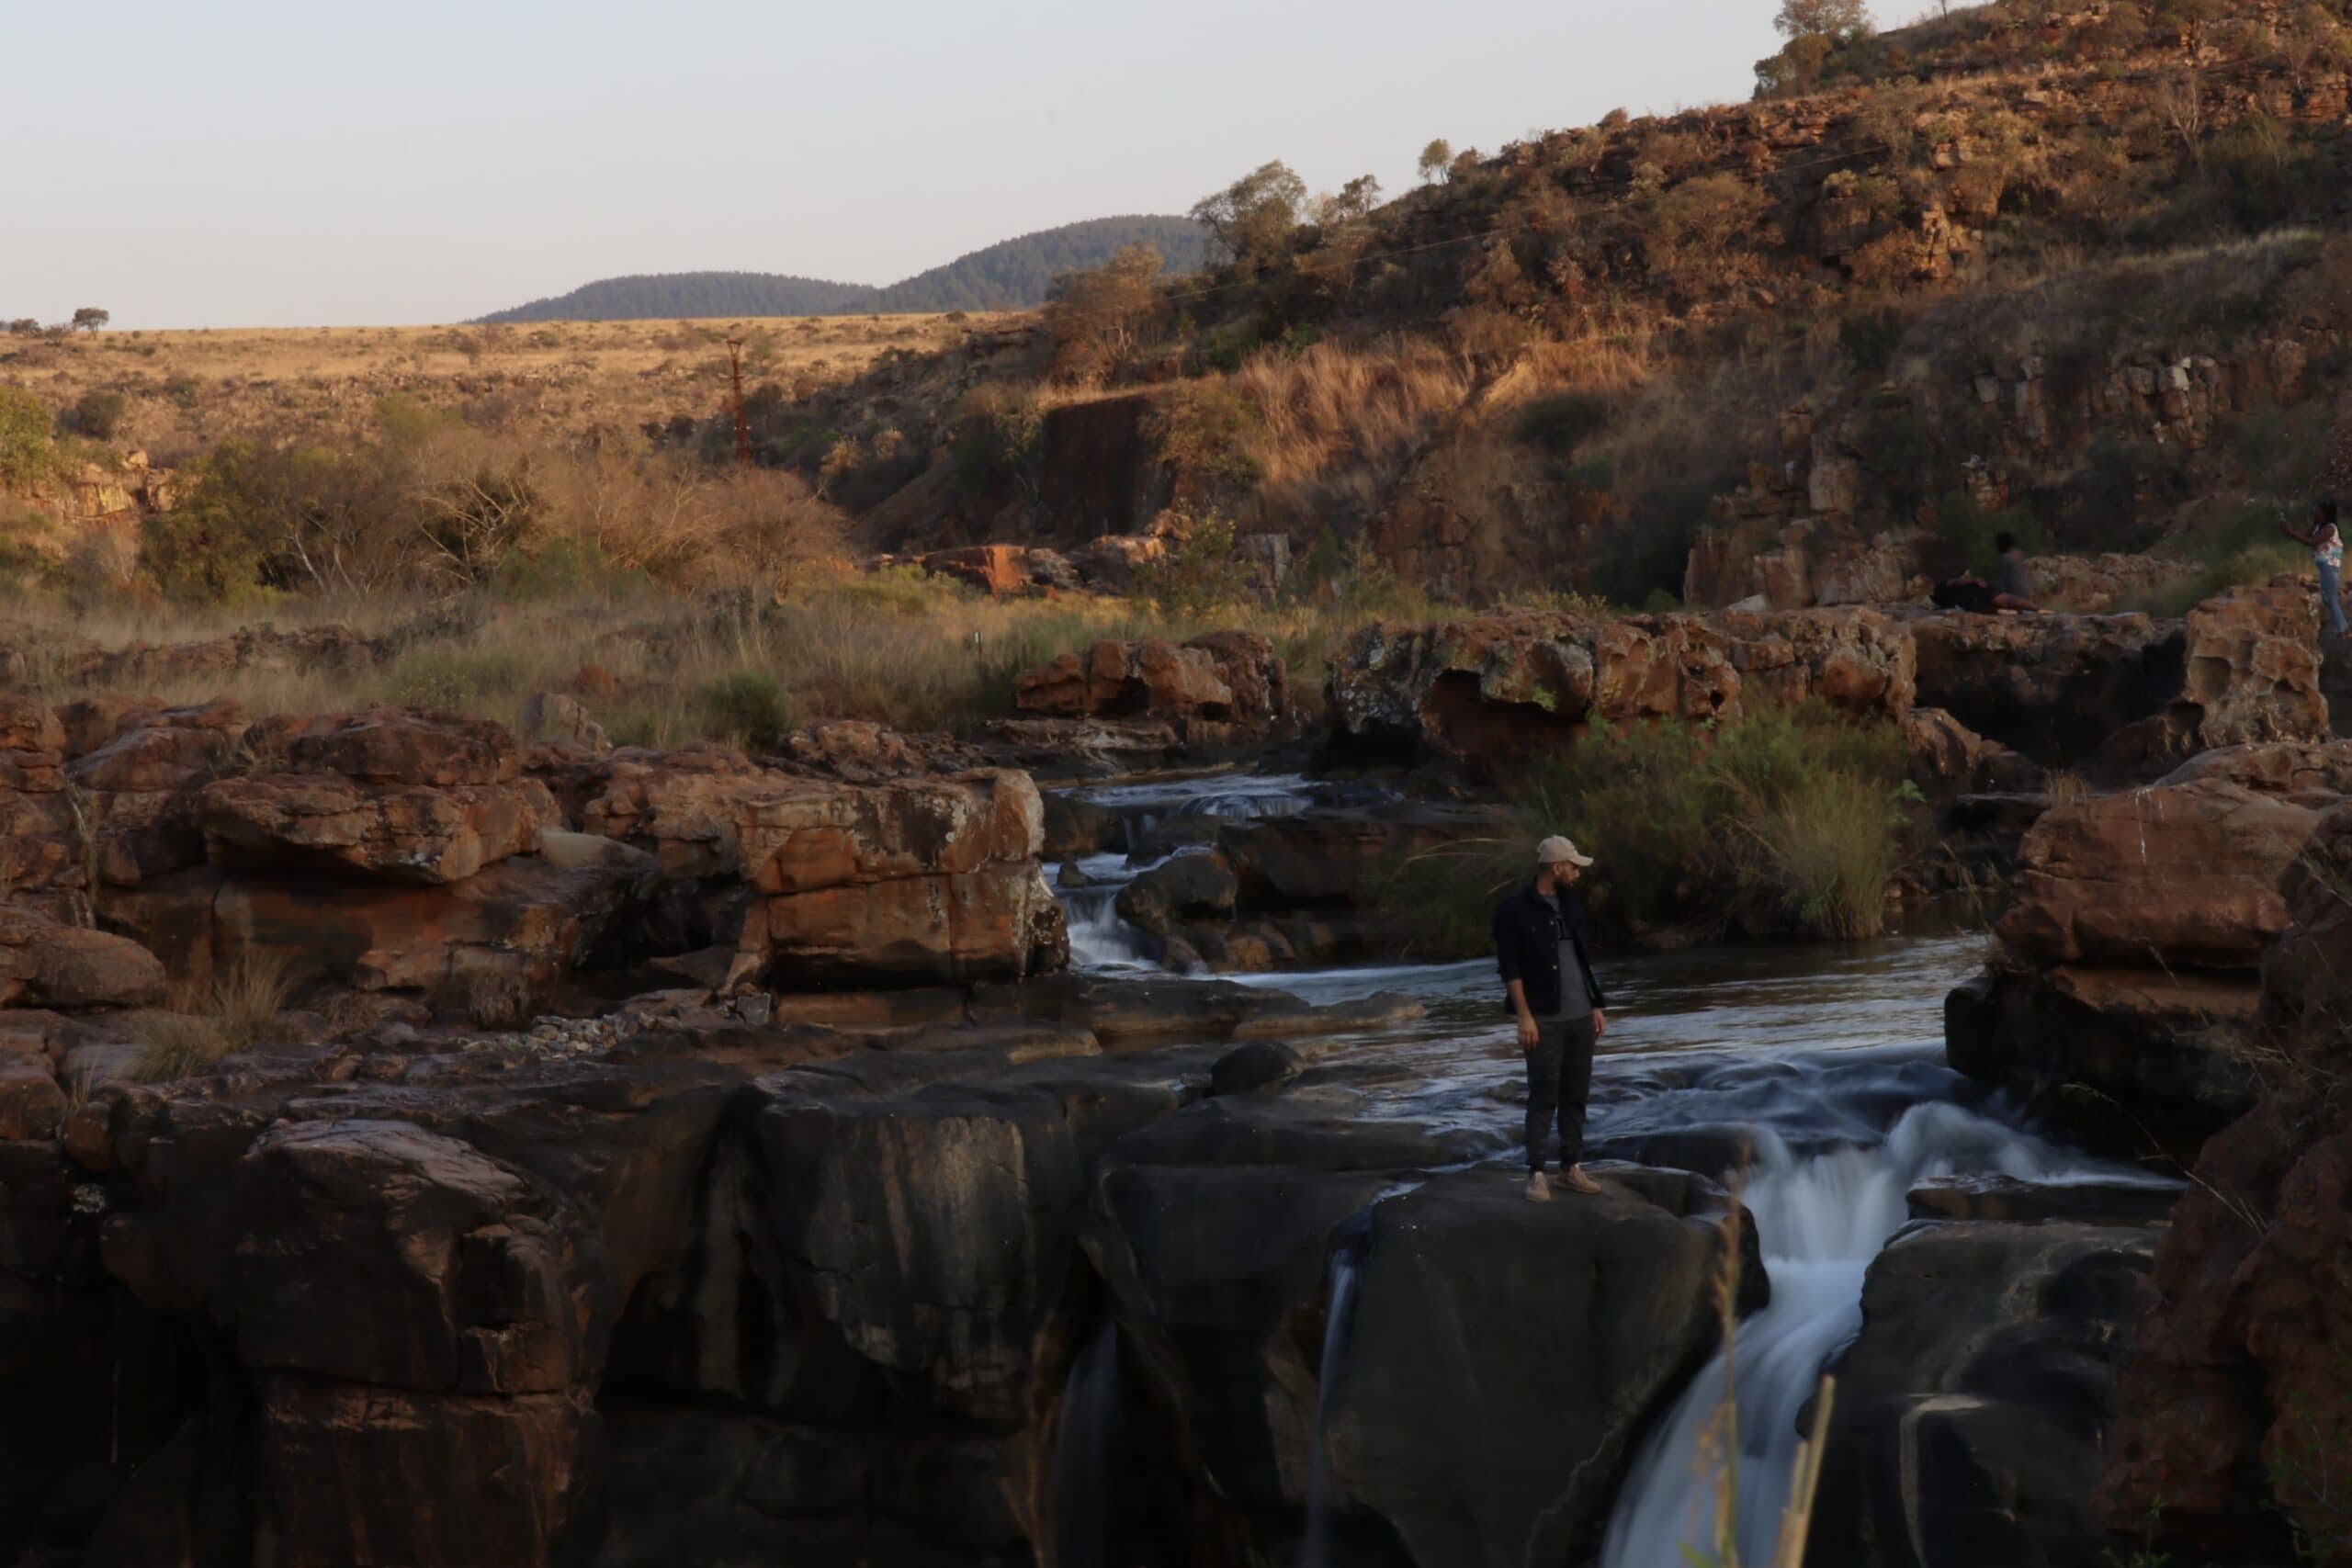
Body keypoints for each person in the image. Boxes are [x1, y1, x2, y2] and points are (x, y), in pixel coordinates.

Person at [1493, 835, 1609, 1201]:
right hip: (1543, 1018)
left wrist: (1596, 1003)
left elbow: (1582, 958)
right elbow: (1510, 969)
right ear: (1556, 867)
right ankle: (1537, 1173)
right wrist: (1524, 1017)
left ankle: (1570, 1168)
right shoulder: (1514, 910)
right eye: (1573, 867)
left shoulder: (1572, 905)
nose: (1577, 873)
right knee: (1543, 1095)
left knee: (1576, 1094)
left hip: (1580, 1017)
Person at [2281, 498, 2348, 640]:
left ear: (2325, 513)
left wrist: (2291, 532)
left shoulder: (2330, 529)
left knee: (2330, 599)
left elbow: (2311, 541)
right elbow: (2303, 537)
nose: (2314, 514)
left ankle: (2344, 630)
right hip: (2324, 567)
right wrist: (2288, 531)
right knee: (2327, 598)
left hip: (2330, 567)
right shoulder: (2317, 526)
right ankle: (2342, 628)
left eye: (2317, 511)